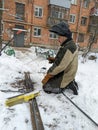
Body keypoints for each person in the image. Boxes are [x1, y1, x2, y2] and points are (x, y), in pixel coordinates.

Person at [42, 22, 78, 95]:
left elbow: (60, 66)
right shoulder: (68, 44)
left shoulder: (69, 47)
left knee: (46, 87)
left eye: (59, 37)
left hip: (66, 74)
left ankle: (67, 84)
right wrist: (54, 59)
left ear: (65, 37)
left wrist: (49, 74)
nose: (58, 39)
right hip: (67, 71)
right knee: (50, 80)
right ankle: (69, 81)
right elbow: (63, 60)